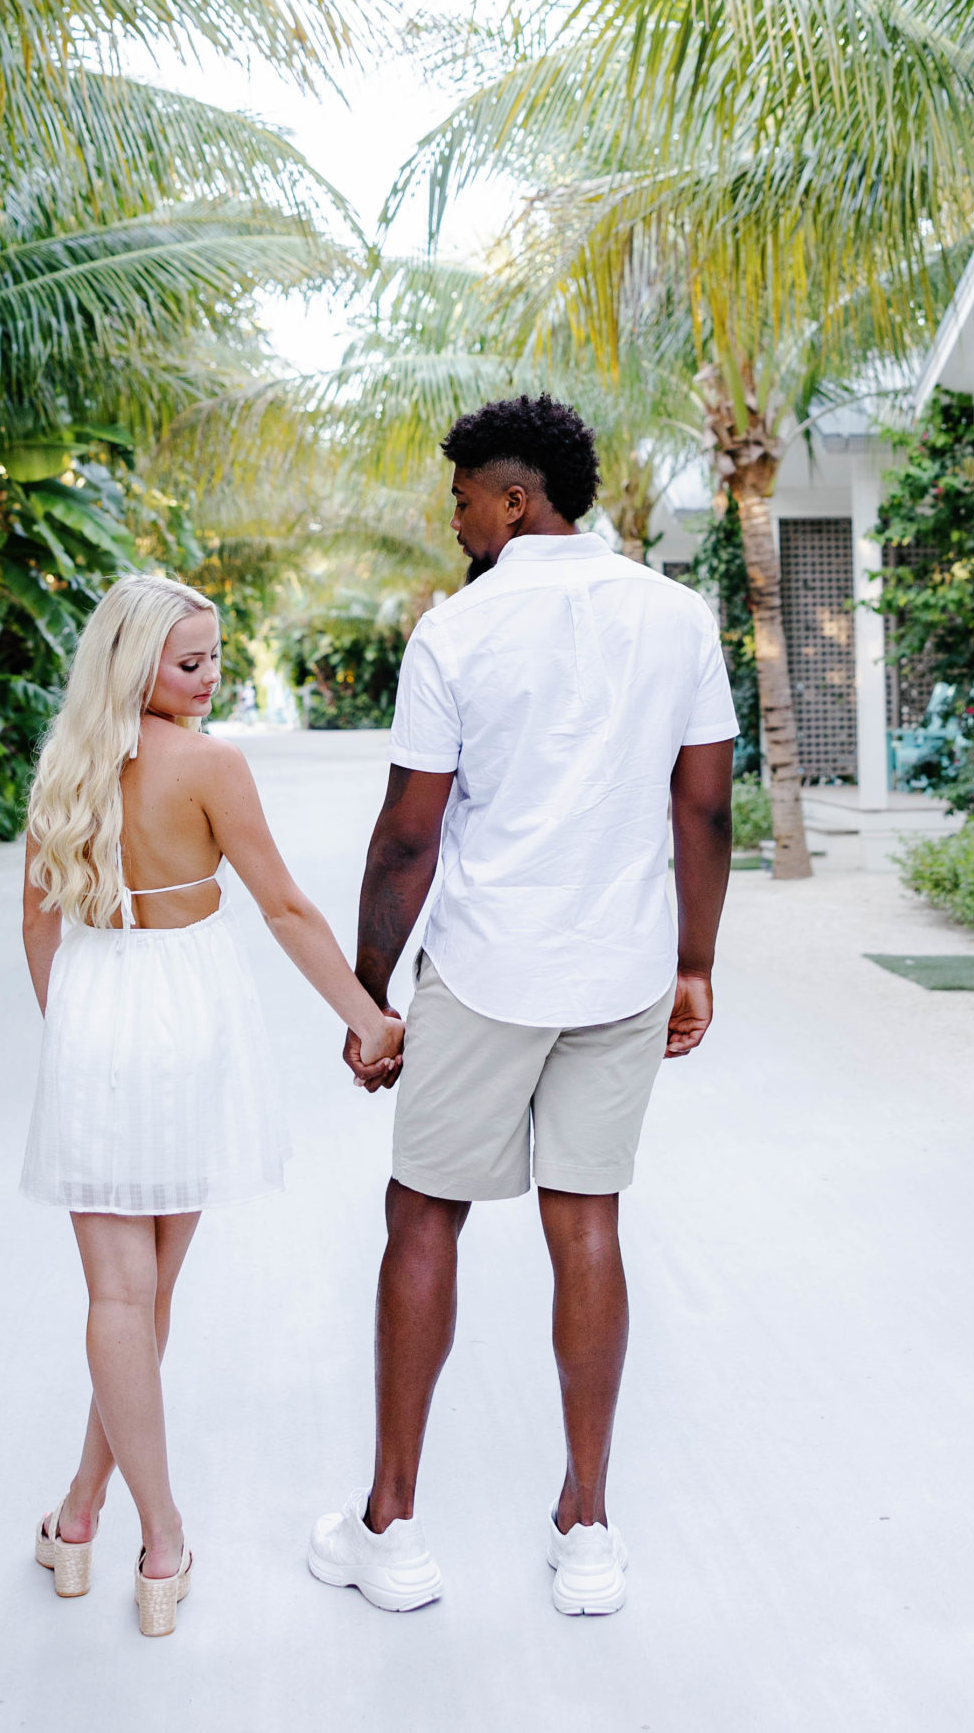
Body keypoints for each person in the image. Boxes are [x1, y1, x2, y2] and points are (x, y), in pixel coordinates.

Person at [308, 394, 737, 1618]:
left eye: (460, 498)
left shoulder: (458, 633)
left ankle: (391, 1527)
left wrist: (369, 993)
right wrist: (694, 961)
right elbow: (702, 811)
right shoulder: (676, 616)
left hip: (490, 967)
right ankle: (586, 1529)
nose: (453, 519)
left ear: (513, 500)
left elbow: (408, 836)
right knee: (585, 1222)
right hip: (621, 967)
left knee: (424, 1216)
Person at [20, 573, 403, 1636]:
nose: (210, 674)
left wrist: (75, 1037)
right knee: (149, 1299)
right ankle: (162, 1540)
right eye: (190, 660)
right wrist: (369, 1016)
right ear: (133, 662)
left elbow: (38, 927)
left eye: (215, 656)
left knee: (118, 1300)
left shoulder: (65, 767)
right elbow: (282, 905)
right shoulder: (211, 766)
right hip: (187, 1013)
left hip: (94, 1009)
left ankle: (85, 1515)